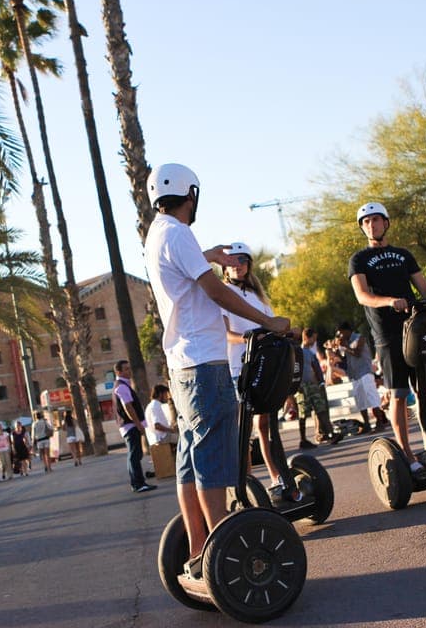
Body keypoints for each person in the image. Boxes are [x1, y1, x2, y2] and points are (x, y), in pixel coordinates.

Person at [143, 163, 290, 578]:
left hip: (182, 365)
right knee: (210, 457)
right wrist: (268, 321)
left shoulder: (157, 233)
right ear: (191, 194)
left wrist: (208, 255)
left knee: (190, 458)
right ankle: (220, 549)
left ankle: (197, 549)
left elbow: (186, 271)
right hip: (205, 363)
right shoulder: (178, 233)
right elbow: (215, 291)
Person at [349, 201, 426, 472]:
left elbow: (424, 288)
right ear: (362, 227)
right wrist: (389, 301)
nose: (371, 225)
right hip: (387, 333)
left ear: (386, 223)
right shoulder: (359, 259)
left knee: (424, 389)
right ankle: (407, 454)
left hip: (414, 328)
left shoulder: (403, 255)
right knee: (399, 393)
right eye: (366, 222)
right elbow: (362, 295)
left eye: (375, 220)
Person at [220, 241, 290, 483]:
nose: (237, 265)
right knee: (244, 428)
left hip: (264, 364)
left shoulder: (258, 296)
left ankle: (276, 476)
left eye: (242, 260)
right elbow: (224, 334)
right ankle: (247, 482)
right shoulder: (223, 293)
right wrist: (247, 338)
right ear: (224, 267)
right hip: (240, 367)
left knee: (266, 423)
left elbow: (272, 326)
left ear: (249, 264)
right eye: (232, 261)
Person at [112, 359, 157, 493]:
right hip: (131, 426)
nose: (129, 371)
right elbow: (128, 407)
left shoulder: (122, 385)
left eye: (129, 368)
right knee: (134, 455)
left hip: (129, 425)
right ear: (118, 372)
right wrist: (138, 424)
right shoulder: (121, 386)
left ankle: (137, 483)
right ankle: (138, 484)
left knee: (134, 455)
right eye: (126, 369)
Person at [334, 322, 388, 432]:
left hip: (365, 372)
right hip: (354, 375)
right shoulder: (346, 342)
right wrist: (337, 351)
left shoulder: (359, 338)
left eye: (341, 333)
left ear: (346, 331)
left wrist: (345, 346)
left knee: (372, 398)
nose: (340, 336)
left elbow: (357, 353)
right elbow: (344, 358)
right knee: (360, 401)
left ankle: (380, 422)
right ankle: (366, 425)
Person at [297, 328, 342, 450]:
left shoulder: (310, 353)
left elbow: (316, 368)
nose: (314, 341)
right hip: (302, 386)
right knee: (303, 413)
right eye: (313, 338)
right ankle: (303, 439)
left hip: (313, 385)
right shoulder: (298, 352)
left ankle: (331, 434)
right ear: (307, 337)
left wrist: (320, 382)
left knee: (321, 409)